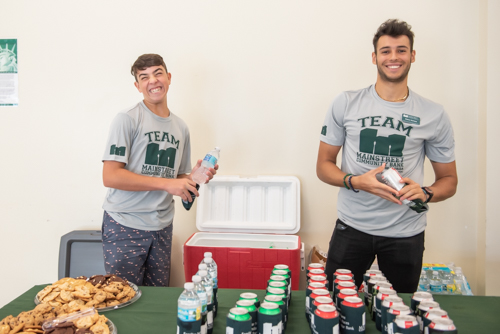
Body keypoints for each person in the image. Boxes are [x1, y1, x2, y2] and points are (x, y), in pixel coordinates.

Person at [316, 19, 458, 293]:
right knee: (333, 304)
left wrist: (426, 193)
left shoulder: (434, 114)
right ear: (375, 57)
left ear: (412, 56)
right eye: (386, 51)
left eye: (402, 50)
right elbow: (323, 166)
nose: (394, 57)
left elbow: (449, 180)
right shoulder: (346, 103)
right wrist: (356, 181)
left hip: (406, 233)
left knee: (399, 314)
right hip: (352, 226)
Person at [101, 54, 217, 286]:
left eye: (158, 73)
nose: (152, 81)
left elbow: (178, 178)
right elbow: (110, 176)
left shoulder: (180, 127)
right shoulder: (127, 119)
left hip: (162, 227)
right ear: (137, 86)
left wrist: (194, 177)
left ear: (169, 77)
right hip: (125, 225)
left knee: (156, 301)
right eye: (144, 77)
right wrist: (166, 183)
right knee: (124, 300)